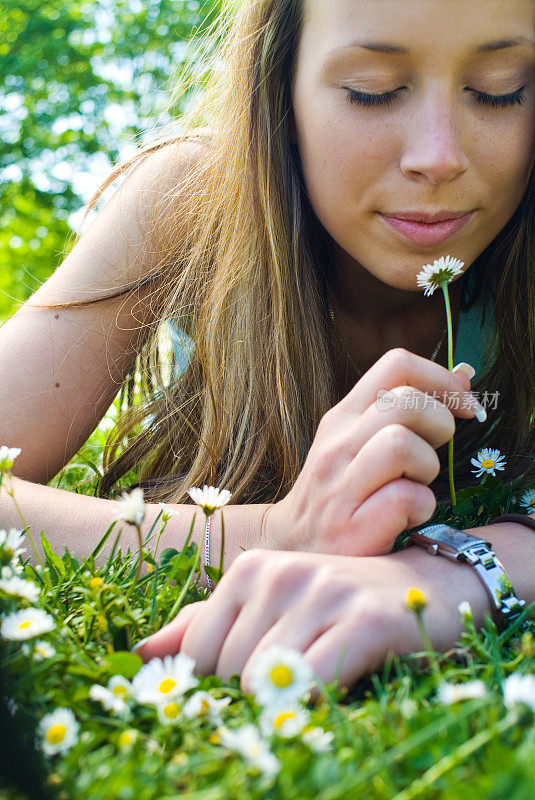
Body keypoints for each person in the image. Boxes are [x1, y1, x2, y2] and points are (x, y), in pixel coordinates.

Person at [0, 0, 534, 698]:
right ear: (278, 91)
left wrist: (451, 575)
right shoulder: (190, 205)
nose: (437, 157)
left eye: (500, 87)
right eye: (370, 90)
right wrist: (277, 530)